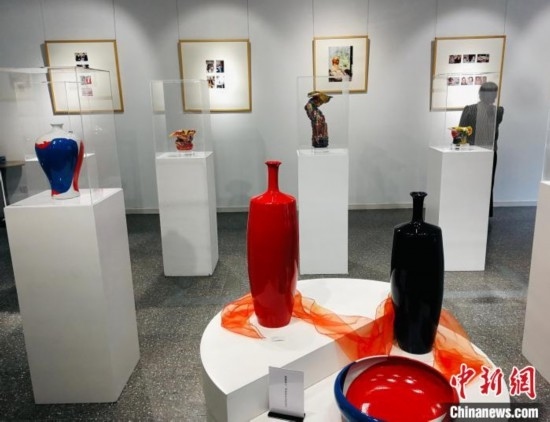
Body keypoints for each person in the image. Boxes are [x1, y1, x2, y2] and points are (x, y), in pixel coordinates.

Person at [459, 82, 504, 217]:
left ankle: (473, 211)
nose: (493, 96)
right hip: (483, 153)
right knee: (485, 183)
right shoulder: (498, 111)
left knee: (478, 182)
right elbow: (461, 133)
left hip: (478, 152)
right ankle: (481, 212)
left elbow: (461, 133)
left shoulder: (495, 111)